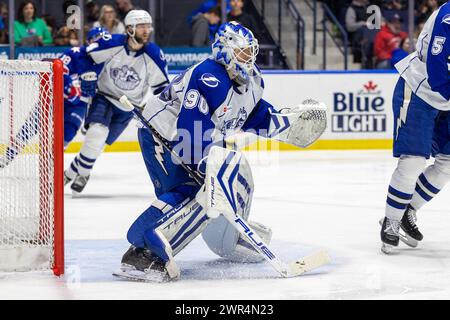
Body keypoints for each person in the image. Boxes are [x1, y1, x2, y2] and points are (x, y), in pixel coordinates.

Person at [112, 22, 327, 282]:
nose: (249, 59)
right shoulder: (209, 76)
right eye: (243, 53)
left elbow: (253, 115)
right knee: (193, 194)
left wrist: (288, 124)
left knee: (229, 180)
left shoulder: (252, 80)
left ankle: (229, 237)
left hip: (200, 139)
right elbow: (190, 127)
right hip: (162, 136)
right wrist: (203, 162)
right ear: (225, 51)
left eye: (251, 52)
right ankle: (141, 253)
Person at [64, 10, 169, 193]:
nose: (146, 31)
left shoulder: (153, 55)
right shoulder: (111, 44)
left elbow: (162, 89)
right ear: (129, 29)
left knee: (98, 146)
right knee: (96, 134)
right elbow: (85, 55)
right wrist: (85, 75)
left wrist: (163, 113)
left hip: (129, 107)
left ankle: (74, 173)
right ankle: (75, 175)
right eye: (141, 26)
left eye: (148, 26)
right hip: (104, 97)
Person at [380, 2, 450, 254]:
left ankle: (408, 210)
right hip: (420, 90)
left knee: (448, 163)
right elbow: (437, 66)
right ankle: (391, 220)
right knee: (413, 161)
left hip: (447, 98)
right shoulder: (448, 15)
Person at [59, 27, 108, 150]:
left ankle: (51, 165)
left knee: (69, 132)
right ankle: (8, 155)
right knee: (33, 125)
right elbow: (57, 71)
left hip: (80, 103)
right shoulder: (74, 53)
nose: (101, 44)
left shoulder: (109, 62)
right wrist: (69, 84)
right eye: (97, 40)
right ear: (89, 42)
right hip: (57, 96)